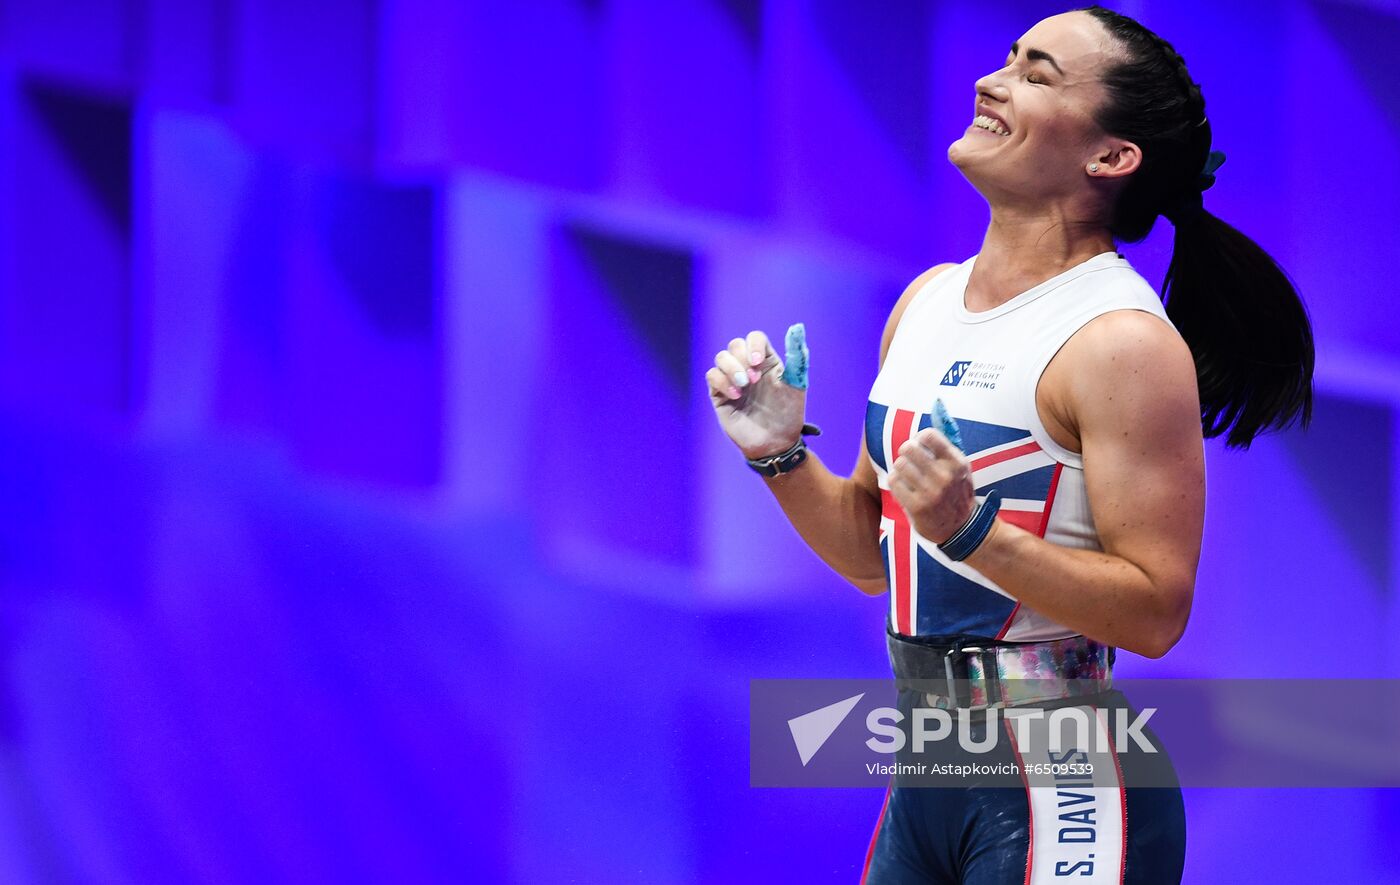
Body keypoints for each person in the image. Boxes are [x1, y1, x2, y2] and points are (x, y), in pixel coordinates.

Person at [705, 6, 1313, 884]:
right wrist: (778, 454)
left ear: (1111, 158)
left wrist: (975, 533)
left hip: (1068, 786)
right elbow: (876, 553)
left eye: (1038, 73)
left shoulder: (1119, 340)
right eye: (1007, 58)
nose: (993, 82)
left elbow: (1155, 612)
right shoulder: (925, 303)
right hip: (928, 772)